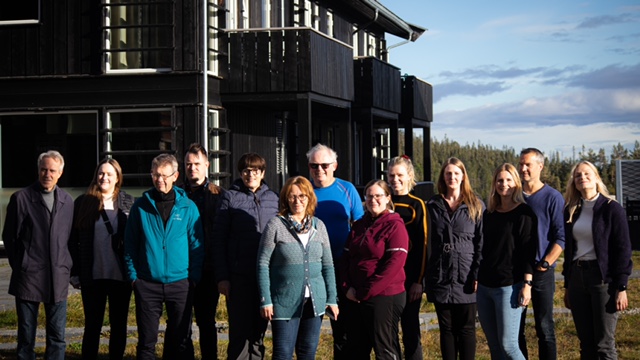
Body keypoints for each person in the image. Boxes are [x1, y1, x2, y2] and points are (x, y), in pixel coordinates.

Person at [124, 154, 204, 360]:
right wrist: (135, 278)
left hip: (180, 283)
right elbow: (130, 244)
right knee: (146, 343)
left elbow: (196, 244)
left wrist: (192, 278)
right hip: (148, 284)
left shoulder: (188, 207)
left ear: (176, 176)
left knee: (181, 341)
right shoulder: (140, 206)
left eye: (165, 176)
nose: (160, 180)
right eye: (156, 175)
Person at [257, 176, 339, 360]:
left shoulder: (319, 226)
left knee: (307, 353)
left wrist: (332, 299)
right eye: (292, 196)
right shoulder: (275, 225)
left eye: (302, 196)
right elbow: (262, 264)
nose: (297, 201)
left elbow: (328, 265)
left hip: (315, 301)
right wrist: (266, 300)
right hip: (284, 301)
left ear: (309, 198)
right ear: (286, 199)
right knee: (283, 354)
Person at [3, 150, 74, 360]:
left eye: (52, 170)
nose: (47, 174)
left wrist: (66, 265)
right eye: (44, 169)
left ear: (60, 173)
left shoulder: (67, 201)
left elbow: (69, 237)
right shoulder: (21, 198)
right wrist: (22, 263)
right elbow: (10, 237)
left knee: (57, 336)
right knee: (26, 336)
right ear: (38, 170)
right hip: (28, 276)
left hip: (58, 277)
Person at [562, 161, 632, 359]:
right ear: (574, 182)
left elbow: (623, 250)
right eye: (578, 176)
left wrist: (622, 287)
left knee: (604, 345)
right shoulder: (571, 211)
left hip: (603, 281)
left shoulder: (612, 209)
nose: (582, 178)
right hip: (577, 278)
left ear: (596, 178)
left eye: (586, 174)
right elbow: (569, 252)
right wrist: (568, 286)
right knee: (586, 344)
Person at [213, 153, 279, 360]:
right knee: (239, 333)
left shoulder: (274, 198)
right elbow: (218, 239)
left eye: (255, 171)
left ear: (263, 173)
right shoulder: (230, 198)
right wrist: (223, 277)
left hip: (265, 277)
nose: (250, 175)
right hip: (238, 276)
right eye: (246, 171)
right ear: (240, 173)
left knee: (259, 332)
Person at [70, 158, 134, 360]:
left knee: (118, 325)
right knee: (92, 325)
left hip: (120, 276)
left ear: (117, 178)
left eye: (109, 174)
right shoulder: (83, 202)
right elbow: (72, 240)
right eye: (101, 173)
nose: (104, 177)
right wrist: (75, 272)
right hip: (92, 275)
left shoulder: (128, 202)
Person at [306, 143, 364, 359]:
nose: (319, 170)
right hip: (310, 268)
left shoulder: (346, 189)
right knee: (308, 327)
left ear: (335, 166)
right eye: (314, 165)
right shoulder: (303, 190)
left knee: (343, 326)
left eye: (324, 165)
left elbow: (360, 226)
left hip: (341, 266)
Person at [340, 179, 409, 359]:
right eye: (369, 196)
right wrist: (347, 287)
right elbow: (347, 258)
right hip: (356, 295)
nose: (373, 200)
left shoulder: (395, 225)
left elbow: (394, 263)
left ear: (388, 198)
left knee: (384, 349)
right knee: (356, 348)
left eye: (378, 195)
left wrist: (368, 291)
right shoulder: (359, 225)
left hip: (384, 295)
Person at [426, 157, 484, 360]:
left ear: (463, 177)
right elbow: (428, 241)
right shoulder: (432, 205)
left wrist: (477, 273)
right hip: (441, 274)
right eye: (448, 173)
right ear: (443, 176)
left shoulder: (476, 205)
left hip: (466, 275)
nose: (452, 177)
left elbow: (481, 243)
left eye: (456, 173)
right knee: (446, 329)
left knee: (467, 329)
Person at [477, 163, 536, 360]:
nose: (504, 184)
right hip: (485, 286)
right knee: (494, 347)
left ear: (516, 183)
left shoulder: (524, 214)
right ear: (494, 184)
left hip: (509, 287)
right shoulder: (489, 214)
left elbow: (529, 252)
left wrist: (527, 284)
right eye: (500, 180)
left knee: (509, 345)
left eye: (509, 180)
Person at [518, 147, 565, 359]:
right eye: (521, 164)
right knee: (515, 331)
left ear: (540, 166)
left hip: (542, 273)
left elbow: (561, 237)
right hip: (516, 271)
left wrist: (544, 264)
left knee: (545, 328)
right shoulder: (514, 195)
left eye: (528, 164)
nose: (523, 168)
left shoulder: (552, 197)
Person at [181, 143, 225, 360]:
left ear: (207, 165)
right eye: (188, 164)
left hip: (208, 269)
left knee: (206, 321)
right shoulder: (177, 194)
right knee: (182, 321)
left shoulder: (219, 195)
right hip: (181, 267)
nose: (192, 168)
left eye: (197, 164)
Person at [387, 155, 428, 360]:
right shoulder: (383, 201)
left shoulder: (418, 204)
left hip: (410, 279)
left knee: (410, 329)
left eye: (400, 175)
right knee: (388, 331)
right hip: (387, 279)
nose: (395, 179)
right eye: (392, 175)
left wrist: (419, 282)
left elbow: (423, 245)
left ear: (409, 176)